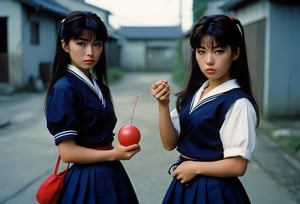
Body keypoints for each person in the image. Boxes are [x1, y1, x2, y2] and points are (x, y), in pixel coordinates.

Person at [151, 14, 259, 204]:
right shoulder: (195, 92)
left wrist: (195, 168)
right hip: (185, 184)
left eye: (218, 51)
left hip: (215, 190)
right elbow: (169, 143)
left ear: (235, 53)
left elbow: (238, 165)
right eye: (201, 51)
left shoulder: (238, 103)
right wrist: (163, 104)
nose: (209, 60)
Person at [45, 11, 140, 203]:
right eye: (81, 43)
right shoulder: (64, 88)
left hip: (111, 172)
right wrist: (114, 153)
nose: (90, 52)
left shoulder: (98, 85)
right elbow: (68, 153)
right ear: (65, 45)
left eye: (97, 44)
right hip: (86, 179)